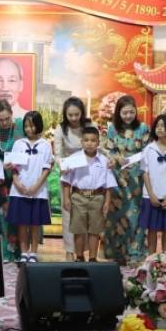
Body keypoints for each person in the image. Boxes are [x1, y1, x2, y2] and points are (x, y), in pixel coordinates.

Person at [103, 95, 149, 265]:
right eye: (124, 113)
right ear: (118, 112)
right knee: (116, 215)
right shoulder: (112, 129)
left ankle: (135, 253)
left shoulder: (143, 128)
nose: (128, 116)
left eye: (131, 112)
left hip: (136, 178)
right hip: (118, 177)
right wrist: (116, 157)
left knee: (135, 215)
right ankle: (116, 253)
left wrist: (135, 159)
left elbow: (148, 150)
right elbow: (108, 150)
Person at [61, 126, 117, 262]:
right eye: (86, 140)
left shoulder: (104, 161)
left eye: (93, 140)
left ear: (98, 143)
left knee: (95, 230)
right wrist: (66, 198)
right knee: (78, 229)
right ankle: (79, 256)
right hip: (78, 197)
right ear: (81, 142)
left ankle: (92, 258)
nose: (89, 143)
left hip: (97, 197)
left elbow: (109, 184)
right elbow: (66, 180)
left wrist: (107, 202)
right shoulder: (73, 159)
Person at [5, 111, 52, 263]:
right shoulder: (18, 144)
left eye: (32, 126)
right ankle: (24, 252)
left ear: (39, 125)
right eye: (26, 126)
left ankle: (34, 252)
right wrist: (17, 183)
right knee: (22, 222)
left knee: (35, 224)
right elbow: (14, 167)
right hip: (19, 190)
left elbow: (47, 169)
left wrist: (36, 186)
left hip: (38, 191)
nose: (29, 129)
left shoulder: (45, 145)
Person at [54, 96, 94, 262]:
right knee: (68, 213)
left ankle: (82, 251)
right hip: (69, 173)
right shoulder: (61, 128)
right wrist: (63, 165)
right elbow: (57, 153)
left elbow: (97, 146)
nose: (73, 118)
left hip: (87, 173)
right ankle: (69, 251)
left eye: (77, 114)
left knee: (86, 213)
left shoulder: (90, 125)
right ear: (65, 114)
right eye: (70, 115)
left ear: (82, 113)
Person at [139, 114, 166, 253]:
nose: (160, 128)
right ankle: (151, 259)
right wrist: (151, 195)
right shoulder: (149, 149)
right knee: (152, 230)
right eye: (157, 126)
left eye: (163, 126)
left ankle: (165, 259)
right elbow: (145, 173)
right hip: (150, 196)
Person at [0, 99, 25, 262]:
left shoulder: (20, 127)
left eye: (7, 118)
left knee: (17, 214)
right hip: (2, 181)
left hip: (19, 178)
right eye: (1, 120)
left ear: (12, 114)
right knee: (3, 214)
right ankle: (5, 251)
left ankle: (19, 251)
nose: (4, 122)